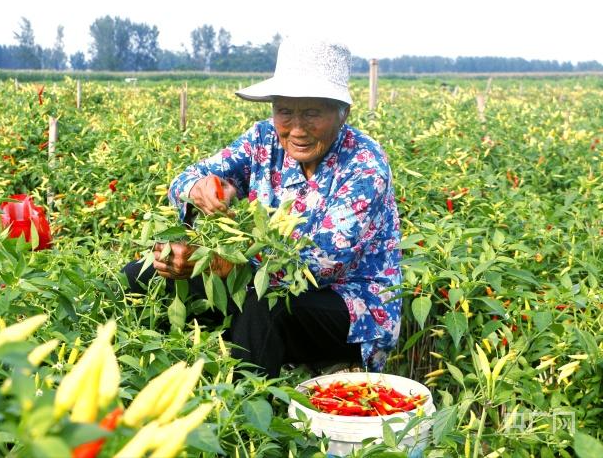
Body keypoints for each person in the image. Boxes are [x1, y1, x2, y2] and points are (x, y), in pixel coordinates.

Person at [122, 38, 402, 377]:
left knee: (263, 306)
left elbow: (319, 264)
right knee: (144, 273)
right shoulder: (263, 139)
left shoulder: (364, 164)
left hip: (349, 305)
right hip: (258, 276)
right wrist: (200, 190)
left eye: (312, 112)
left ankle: (243, 418)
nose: (296, 128)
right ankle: (148, 379)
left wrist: (218, 260)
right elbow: (188, 177)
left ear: (342, 113)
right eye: (285, 111)